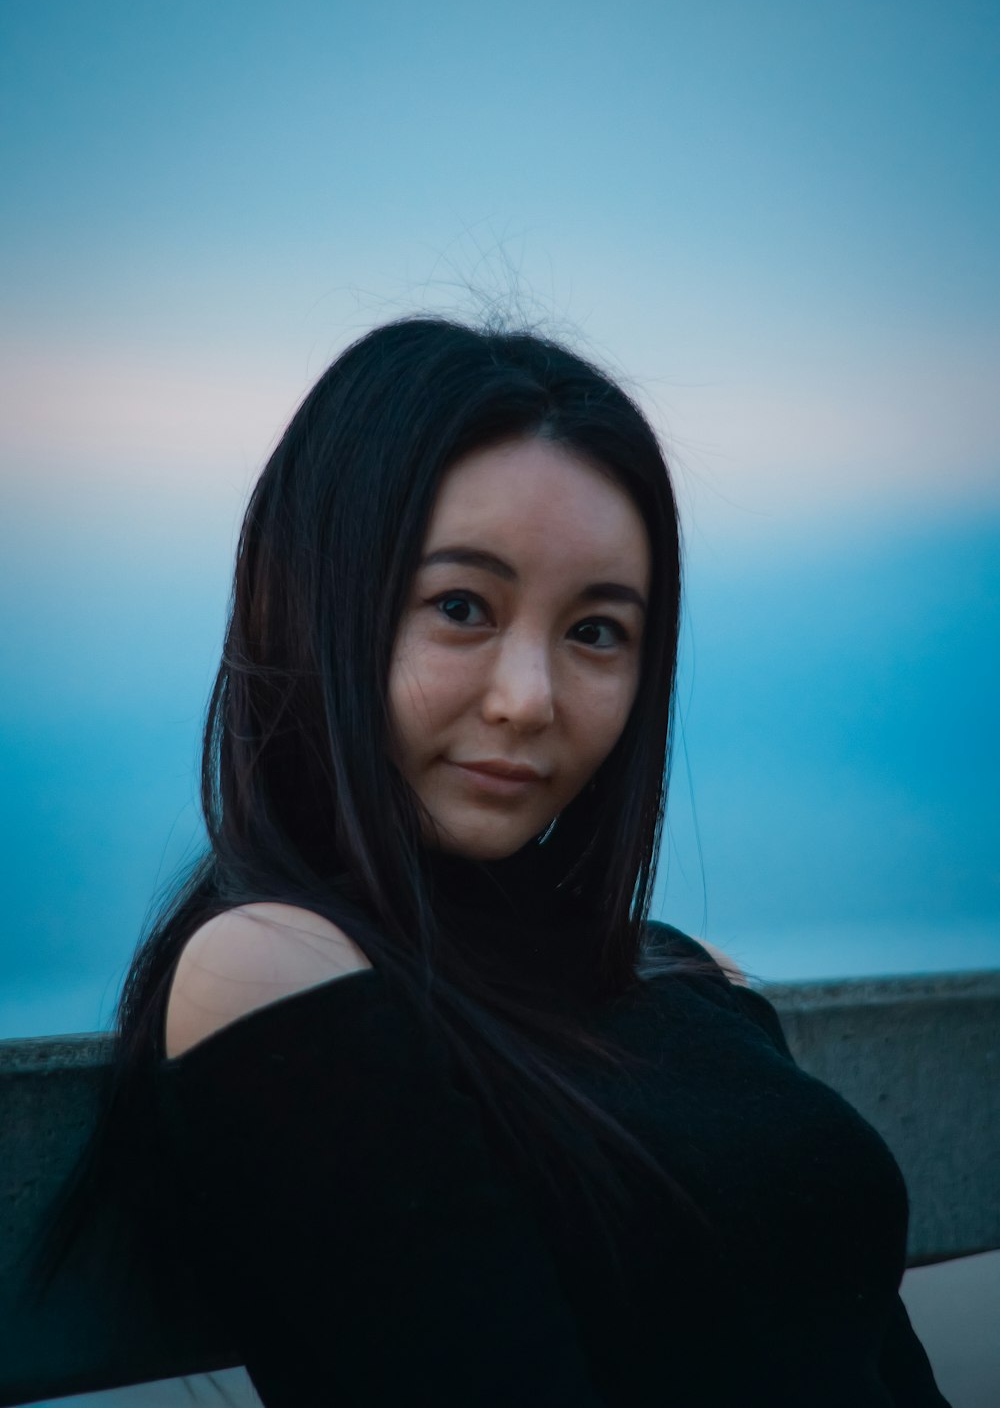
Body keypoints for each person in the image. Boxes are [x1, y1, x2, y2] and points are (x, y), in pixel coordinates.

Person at [110, 318, 948, 1405]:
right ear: (310, 604)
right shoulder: (275, 967)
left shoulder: (682, 974)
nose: (529, 699)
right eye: (461, 608)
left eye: (597, 631)